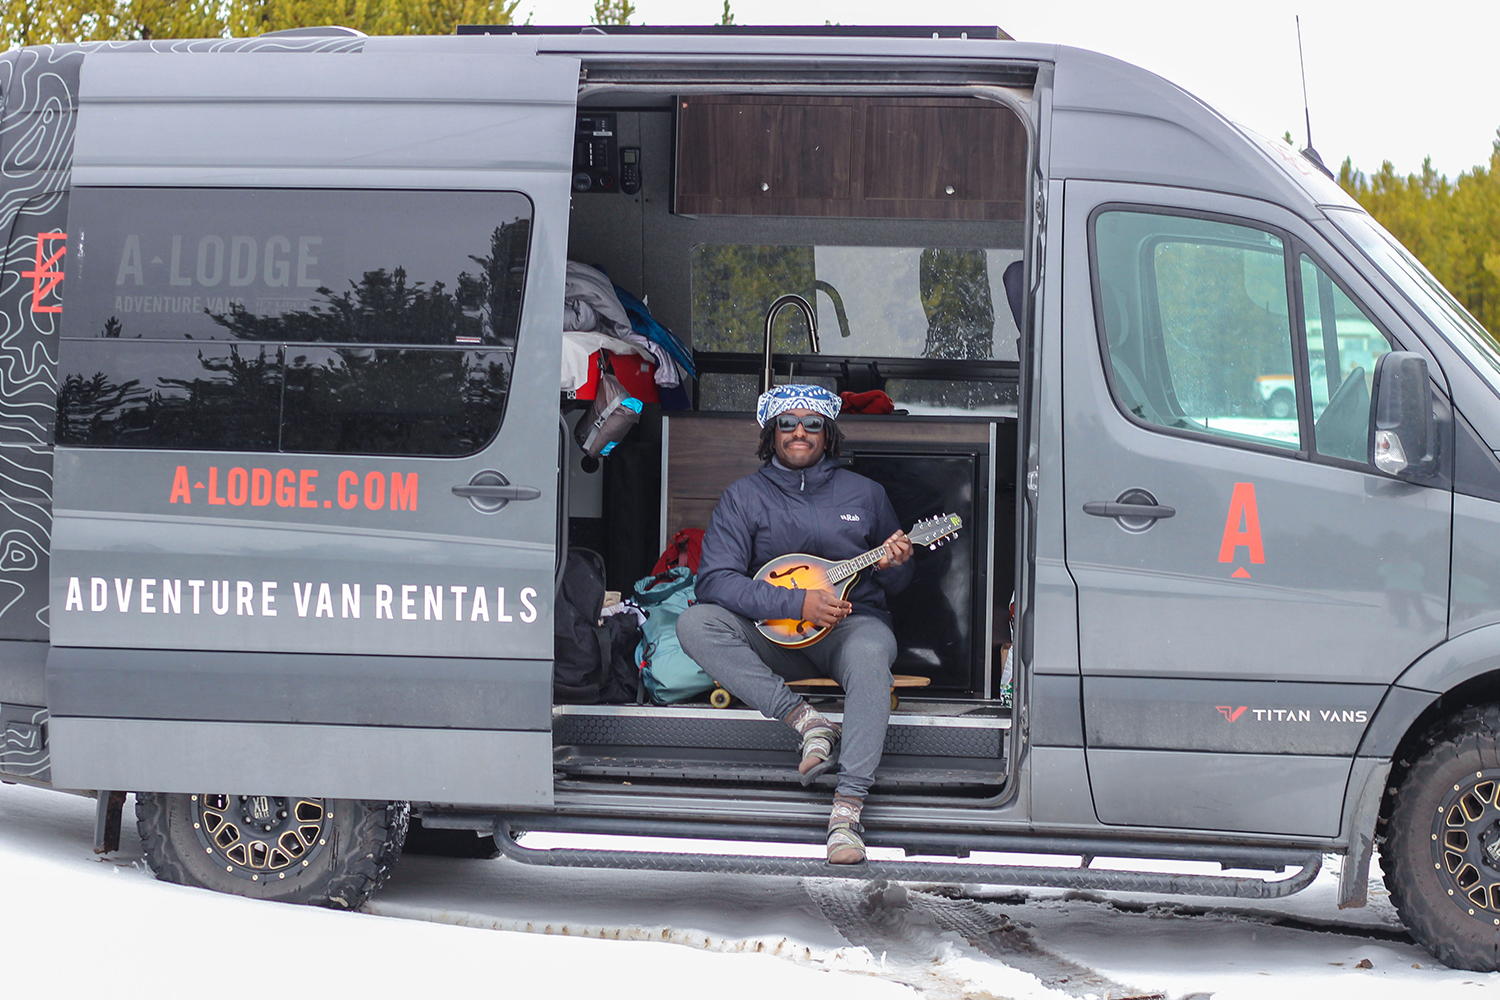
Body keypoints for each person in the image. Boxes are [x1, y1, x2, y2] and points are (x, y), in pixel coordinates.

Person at [675, 384, 913, 864]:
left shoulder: (866, 494)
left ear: (829, 434)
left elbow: (901, 586)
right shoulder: (744, 497)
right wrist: (795, 603)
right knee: (696, 623)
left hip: (851, 626)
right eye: (787, 423)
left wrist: (899, 563)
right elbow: (714, 581)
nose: (799, 432)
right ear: (771, 433)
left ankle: (846, 812)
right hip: (772, 635)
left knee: (871, 656)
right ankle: (808, 722)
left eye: (812, 424)